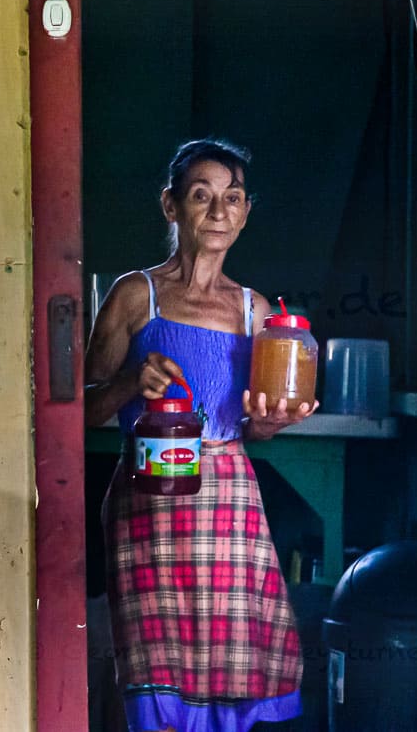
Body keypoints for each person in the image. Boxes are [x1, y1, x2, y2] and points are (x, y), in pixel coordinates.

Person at [84, 139, 317, 732]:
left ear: (245, 212)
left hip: (229, 501)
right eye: (201, 196)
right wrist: (134, 382)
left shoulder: (256, 313)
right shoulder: (136, 296)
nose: (219, 212)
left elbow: (257, 428)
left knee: (233, 656)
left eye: (233, 198)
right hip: (151, 497)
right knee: (153, 661)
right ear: (170, 206)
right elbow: (80, 412)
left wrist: (270, 421)